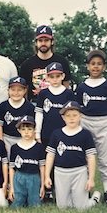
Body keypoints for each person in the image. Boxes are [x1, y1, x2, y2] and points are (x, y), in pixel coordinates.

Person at [76, 49, 107, 204]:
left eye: (99, 64)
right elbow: (78, 109)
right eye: (92, 64)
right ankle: (85, 190)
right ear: (87, 66)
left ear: (104, 67)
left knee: (103, 159)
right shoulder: (82, 87)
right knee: (86, 157)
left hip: (103, 124)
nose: (95, 67)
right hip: (86, 122)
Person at [45, 101, 101, 209]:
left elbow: (90, 157)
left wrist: (91, 178)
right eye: (68, 116)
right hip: (60, 172)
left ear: (81, 116)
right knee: (62, 207)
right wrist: (47, 176)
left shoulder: (85, 134)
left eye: (75, 115)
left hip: (79, 172)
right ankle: (71, 197)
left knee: (81, 207)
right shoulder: (56, 134)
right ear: (63, 117)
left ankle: (94, 198)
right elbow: (50, 155)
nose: (71, 118)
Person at [35, 62, 75, 201]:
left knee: (62, 160)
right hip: (47, 134)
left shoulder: (68, 93)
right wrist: (37, 133)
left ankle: (62, 188)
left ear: (63, 76)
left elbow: (73, 115)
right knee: (47, 162)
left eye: (58, 76)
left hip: (64, 134)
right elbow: (39, 114)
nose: (55, 79)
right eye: (52, 76)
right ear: (47, 77)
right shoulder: (43, 94)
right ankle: (48, 190)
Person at [19, 25, 71, 103]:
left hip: (57, 103)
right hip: (34, 103)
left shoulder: (62, 62)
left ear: (52, 42)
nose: (43, 43)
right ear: (36, 42)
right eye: (40, 40)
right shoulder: (27, 64)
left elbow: (66, 86)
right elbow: (24, 90)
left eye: (46, 40)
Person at [8, 115, 45, 207]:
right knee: (18, 203)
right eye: (23, 129)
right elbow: (12, 168)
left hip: (34, 177)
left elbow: (42, 167)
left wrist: (42, 185)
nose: (26, 132)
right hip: (19, 177)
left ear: (34, 130)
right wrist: (12, 187)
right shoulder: (15, 148)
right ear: (19, 130)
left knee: (35, 204)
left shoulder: (39, 147)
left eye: (29, 129)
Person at [0, 76, 35, 157]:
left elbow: (33, 127)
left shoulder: (29, 107)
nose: (16, 93)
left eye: (19, 90)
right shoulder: (3, 106)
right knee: (7, 163)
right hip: (7, 138)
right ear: (8, 90)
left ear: (25, 91)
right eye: (13, 89)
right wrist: (1, 142)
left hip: (23, 138)